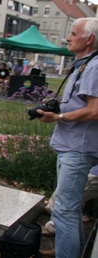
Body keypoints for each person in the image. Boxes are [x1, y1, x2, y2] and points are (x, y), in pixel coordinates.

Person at [37, 17, 98, 258]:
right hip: (73, 145)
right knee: (69, 209)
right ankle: (74, 251)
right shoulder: (85, 63)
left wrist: (59, 116)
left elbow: (94, 110)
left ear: (89, 39)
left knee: (63, 209)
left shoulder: (93, 66)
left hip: (79, 148)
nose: (68, 38)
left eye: (73, 33)